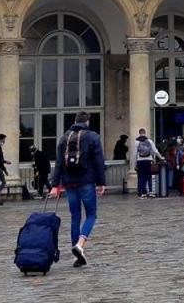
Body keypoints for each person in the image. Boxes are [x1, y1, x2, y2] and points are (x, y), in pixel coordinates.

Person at [47, 111, 107, 267]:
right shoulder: (93, 137)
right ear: (87, 122)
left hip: (69, 183)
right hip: (87, 181)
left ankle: (77, 256)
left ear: (74, 121)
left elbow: (59, 163)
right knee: (91, 215)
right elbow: (99, 161)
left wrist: (55, 185)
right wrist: (101, 182)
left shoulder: (64, 138)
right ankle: (80, 245)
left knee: (75, 217)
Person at [134, 128, 163, 198]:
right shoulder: (149, 141)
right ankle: (150, 191)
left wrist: (135, 163)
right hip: (148, 160)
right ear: (145, 133)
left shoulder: (136, 142)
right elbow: (155, 151)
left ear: (139, 133)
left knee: (141, 177)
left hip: (140, 161)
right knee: (149, 176)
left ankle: (143, 193)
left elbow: (134, 153)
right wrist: (161, 157)